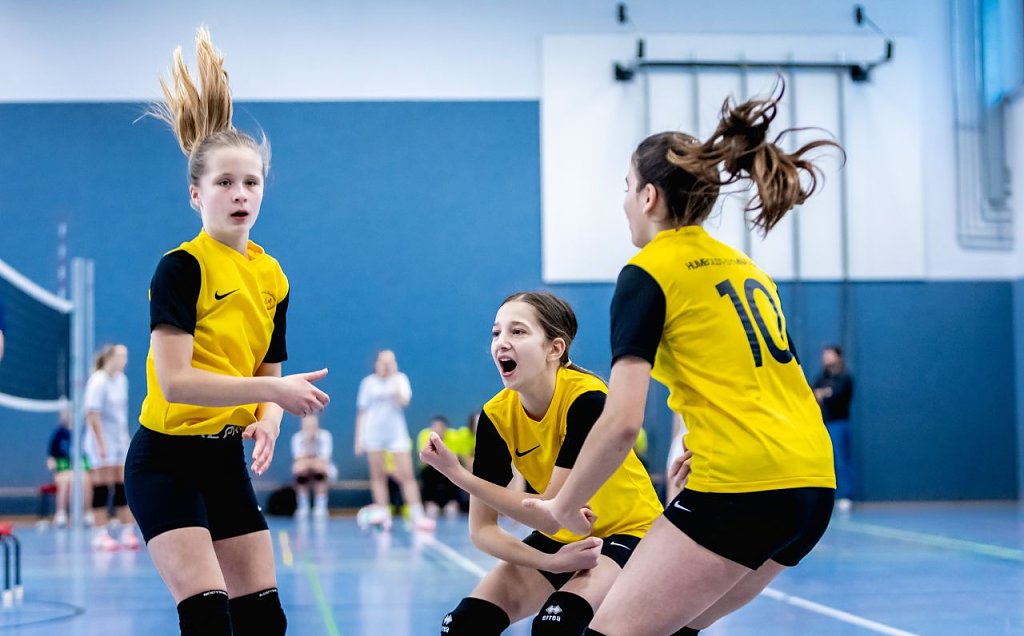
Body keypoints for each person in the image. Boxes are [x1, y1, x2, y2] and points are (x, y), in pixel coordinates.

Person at [525, 83, 840, 635]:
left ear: (648, 197)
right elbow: (750, 379)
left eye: (627, 188)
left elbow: (621, 421)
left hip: (743, 486)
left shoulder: (649, 270)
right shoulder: (745, 267)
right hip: (812, 484)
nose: (625, 201)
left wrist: (561, 505)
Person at [124, 27, 330, 636]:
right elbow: (177, 382)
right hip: (165, 460)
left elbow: (268, 370)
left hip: (223, 459)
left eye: (251, 183)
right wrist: (272, 395)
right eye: (224, 183)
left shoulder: (272, 276)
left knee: (263, 619)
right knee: (208, 614)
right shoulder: (181, 268)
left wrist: (268, 420)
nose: (240, 194)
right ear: (196, 194)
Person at [420, 291, 664, 635]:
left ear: (555, 348)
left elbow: (553, 512)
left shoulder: (587, 400)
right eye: (496, 332)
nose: (501, 342)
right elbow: (482, 530)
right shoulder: (496, 416)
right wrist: (550, 561)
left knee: (557, 623)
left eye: (517, 331)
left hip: (631, 532)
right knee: (461, 626)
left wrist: (457, 474)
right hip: (563, 538)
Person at [354, 350, 434, 531]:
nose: (386, 365)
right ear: (376, 363)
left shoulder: (400, 379)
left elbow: (403, 401)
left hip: (396, 433)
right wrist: (359, 439)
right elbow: (362, 412)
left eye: (390, 362)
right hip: (373, 433)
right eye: (383, 362)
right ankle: (383, 515)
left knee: (407, 475)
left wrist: (394, 378)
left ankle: (417, 515)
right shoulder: (368, 383)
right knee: (378, 476)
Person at [84, 344, 139, 550]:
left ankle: (127, 530)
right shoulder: (98, 380)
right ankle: (100, 533)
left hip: (119, 440)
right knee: (101, 487)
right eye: (121, 356)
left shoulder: (121, 380)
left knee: (121, 485)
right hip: (101, 440)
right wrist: (101, 444)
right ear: (109, 358)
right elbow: (92, 414)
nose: (124, 360)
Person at [813, 345, 854, 512]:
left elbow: (836, 395)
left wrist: (825, 394)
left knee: (841, 460)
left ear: (838, 357)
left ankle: (845, 496)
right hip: (823, 424)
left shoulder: (845, 378)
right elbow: (814, 392)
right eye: (825, 355)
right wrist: (823, 393)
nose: (826, 358)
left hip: (839, 424)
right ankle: (828, 498)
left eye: (830, 354)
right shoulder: (821, 377)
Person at [45, 408, 91, 528]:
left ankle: (86, 513)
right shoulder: (58, 434)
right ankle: (61, 514)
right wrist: (53, 466)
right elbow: (51, 456)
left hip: (80, 468)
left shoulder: (83, 432)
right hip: (63, 469)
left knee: (85, 479)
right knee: (66, 480)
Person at [416, 415, 462, 518]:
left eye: (440, 427)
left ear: (446, 429)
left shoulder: (454, 436)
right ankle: (429, 502)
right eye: (435, 426)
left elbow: (456, 460)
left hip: (448, 475)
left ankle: (453, 501)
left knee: (455, 471)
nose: (437, 429)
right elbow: (424, 459)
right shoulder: (424, 435)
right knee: (427, 473)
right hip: (431, 472)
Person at [291, 413, 334, 519]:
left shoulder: (325, 436)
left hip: (325, 469)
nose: (310, 428)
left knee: (320, 471)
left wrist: (308, 462)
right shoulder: (297, 438)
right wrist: (306, 442)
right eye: (307, 426)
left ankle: (321, 505)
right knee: (300, 470)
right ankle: (303, 505)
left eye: (312, 426)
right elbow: (298, 463)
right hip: (306, 467)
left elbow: (323, 462)